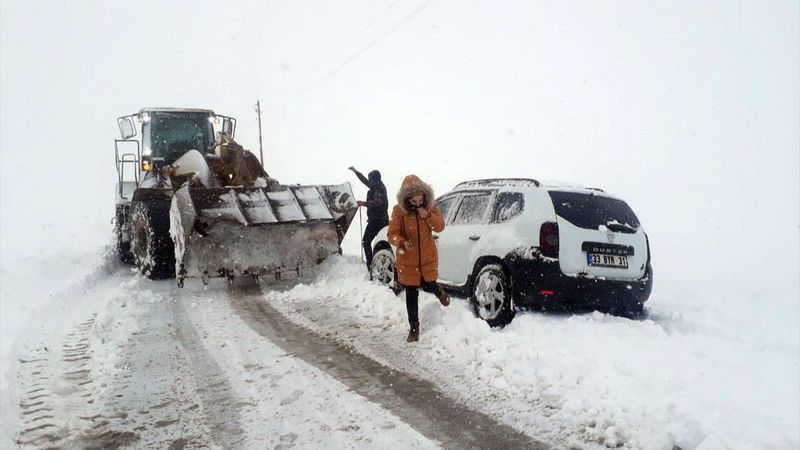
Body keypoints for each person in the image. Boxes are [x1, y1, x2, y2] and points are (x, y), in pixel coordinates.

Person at [387, 175, 450, 342]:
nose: (417, 203)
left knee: (429, 283)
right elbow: (392, 234)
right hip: (408, 260)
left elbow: (440, 226)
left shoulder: (430, 207)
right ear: (406, 199)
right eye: (413, 201)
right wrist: (401, 242)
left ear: (424, 196)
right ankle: (414, 328)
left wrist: (427, 215)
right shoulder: (398, 211)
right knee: (411, 292)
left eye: (420, 199)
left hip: (427, 256)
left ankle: (438, 291)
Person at [348, 166, 389, 276]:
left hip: (378, 220)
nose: (369, 181)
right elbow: (365, 181)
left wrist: (363, 203)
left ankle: (371, 266)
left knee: (366, 241)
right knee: (380, 243)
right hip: (380, 220)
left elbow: (377, 203)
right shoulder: (376, 185)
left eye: (371, 179)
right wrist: (356, 172)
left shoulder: (379, 189)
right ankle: (378, 263)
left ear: (375, 179)